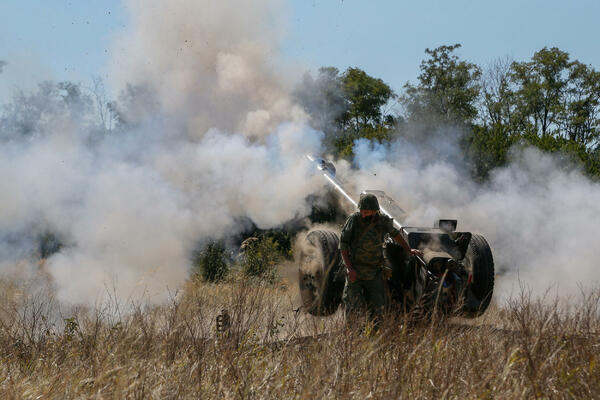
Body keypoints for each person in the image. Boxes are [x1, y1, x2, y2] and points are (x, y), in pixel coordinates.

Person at [339, 193, 422, 326]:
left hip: (374, 271)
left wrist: (409, 249)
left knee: (378, 308)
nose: (363, 214)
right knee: (352, 306)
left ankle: (374, 335)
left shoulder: (383, 221)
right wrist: (349, 269)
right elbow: (343, 246)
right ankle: (351, 335)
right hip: (356, 270)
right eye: (361, 211)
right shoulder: (354, 220)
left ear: (375, 211)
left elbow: (396, 235)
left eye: (366, 212)